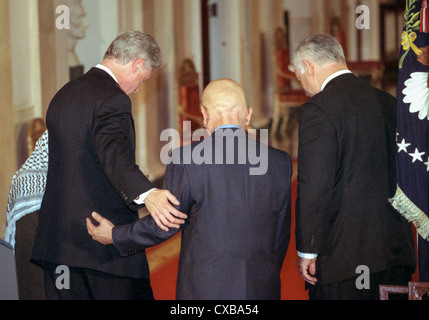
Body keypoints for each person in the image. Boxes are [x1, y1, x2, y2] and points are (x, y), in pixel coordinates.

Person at [87, 78, 292, 300]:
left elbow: (166, 223)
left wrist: (116, 235)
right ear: (248, 114)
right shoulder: (280, 162)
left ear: (205, 114)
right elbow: (281, 233)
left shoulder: (186, 160)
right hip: (261, 286)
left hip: (205, 288)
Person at [31, 31, 187, 300]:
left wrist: (126, 179)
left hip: (58, 245)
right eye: (144, 79)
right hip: (100, 250)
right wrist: (148, 194)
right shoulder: (113, 98)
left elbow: (83, 162)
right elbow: (112, 152)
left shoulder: (64, 93)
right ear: (137, 64)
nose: (139, 88)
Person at [292, 34, 416, 300]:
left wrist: (308, 250)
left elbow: (315, 185)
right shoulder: (388, 102)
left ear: (308, 66)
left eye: (300, 78)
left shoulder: (318, 109)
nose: (304, 89)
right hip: (395, 252)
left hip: (343, 261)